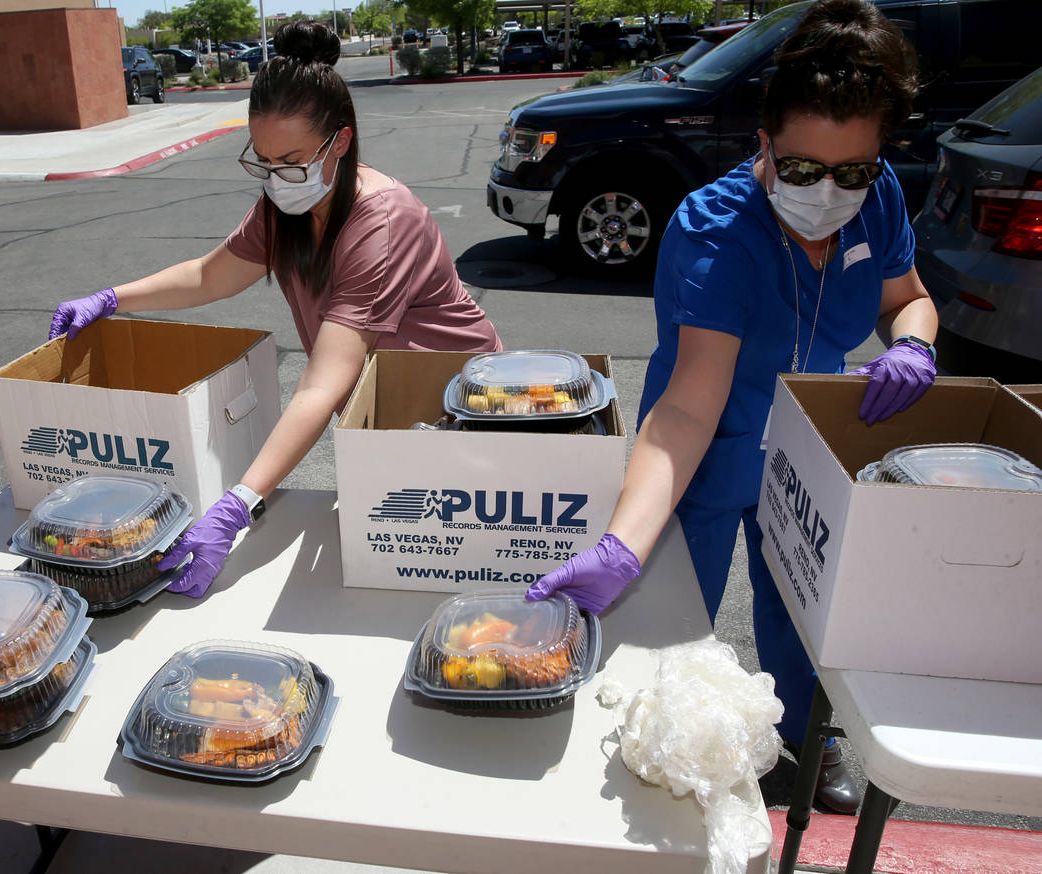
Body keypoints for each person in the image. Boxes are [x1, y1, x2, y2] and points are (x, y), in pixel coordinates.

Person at [528, 0, 937, 813]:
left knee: (801, 613)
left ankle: (804, 746)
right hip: (707, 451)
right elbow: (688, 409)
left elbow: (909, 297)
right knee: (676, 626)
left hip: (804, 449)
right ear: (764, 144)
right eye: (801, 169)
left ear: (879, 158)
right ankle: (665, 755)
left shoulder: (879, 196)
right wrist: (618, 547)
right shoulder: (717, 234)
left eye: (850, 171)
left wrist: (915, 344)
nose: (827, 192)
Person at [48, 21, 501, 599]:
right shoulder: (286, 202)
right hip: (382, 407)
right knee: (382, 557)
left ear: (340, 141)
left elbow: (323, 384)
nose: (275, 179)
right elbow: (209, 275)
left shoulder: (381, 221)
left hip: (450, 406)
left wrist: (239, 502)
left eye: (289, 161)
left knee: (436, 573)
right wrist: (113, 299)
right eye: (260, 161)